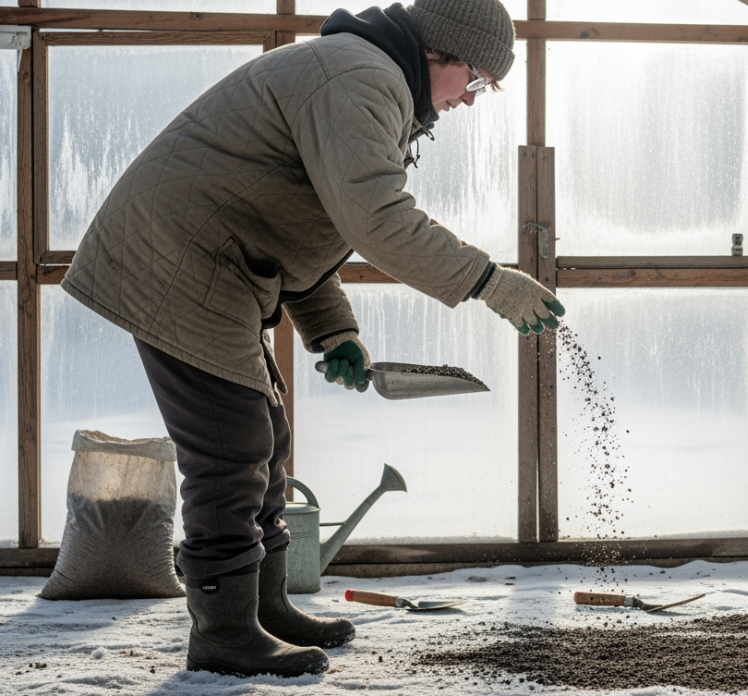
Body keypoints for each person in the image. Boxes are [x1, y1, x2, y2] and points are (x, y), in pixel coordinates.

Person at [60, 0, 560, 678]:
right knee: (233, 446)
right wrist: (489, 282)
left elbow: (301, 220)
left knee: (266, 437)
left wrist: (335, 331)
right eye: (475, 82)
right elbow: (378, 219)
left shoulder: (367, 76)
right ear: (441, 52)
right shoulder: (363, 78)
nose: (470, 102)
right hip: (177, 259)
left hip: (219, 259)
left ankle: (262, 610)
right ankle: (224, 631)